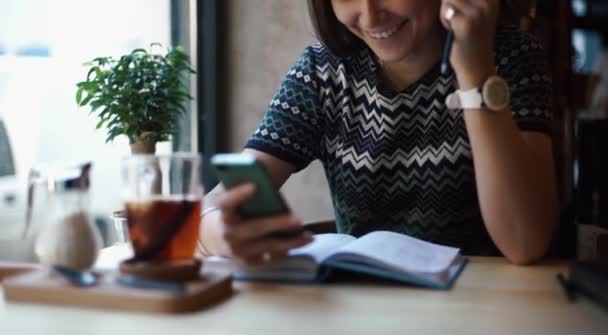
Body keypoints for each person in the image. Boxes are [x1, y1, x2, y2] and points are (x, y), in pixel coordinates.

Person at [198, 0, 558, 266]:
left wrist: (474, 69)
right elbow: (215, 204)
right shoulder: (322, 74)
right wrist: (218, 232)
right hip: (364, 311)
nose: (370, 15)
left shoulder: (512, 60)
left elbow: (525, 242)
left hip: (487, 312)